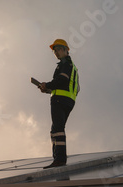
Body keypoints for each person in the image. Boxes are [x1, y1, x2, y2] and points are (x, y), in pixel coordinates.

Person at [38, 39, 80, 169]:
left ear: (65, 49)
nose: (56, 52)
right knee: (56, 129)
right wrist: (48, 90)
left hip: (59, 100)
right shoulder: (72, 66)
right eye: (54, 51)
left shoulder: (64, 64)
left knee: (57, 130)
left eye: (58, 49)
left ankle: (60, 159)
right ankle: (58, 158)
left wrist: (48, 85)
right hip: (68, 101)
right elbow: (74, 87)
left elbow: (62, 79)